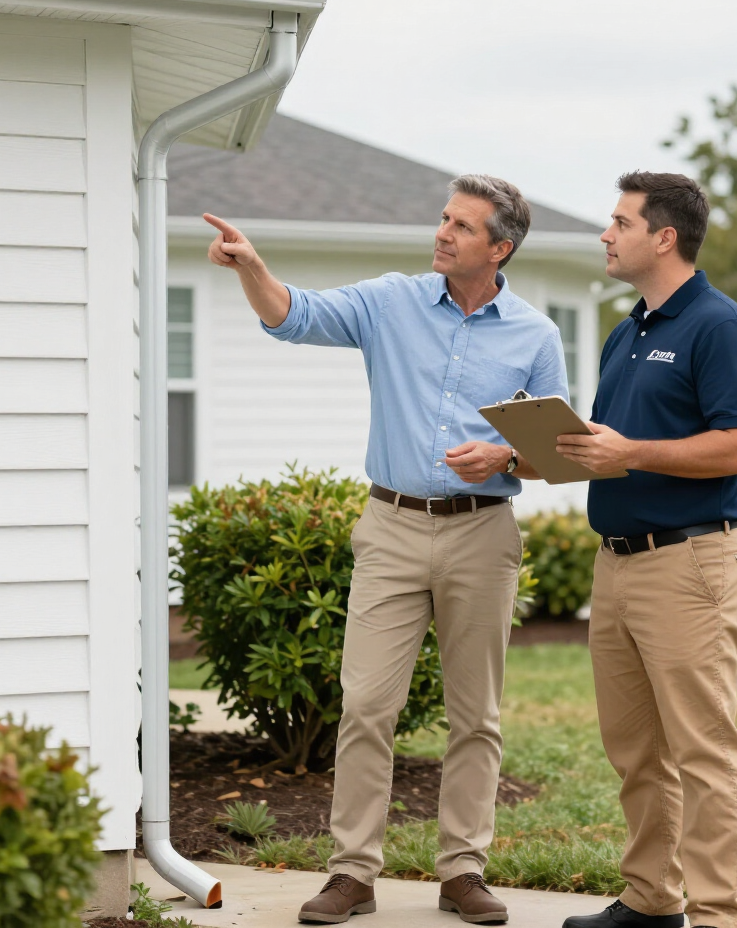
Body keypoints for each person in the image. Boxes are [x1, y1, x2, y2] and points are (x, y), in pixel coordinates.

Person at [204, 174, 568, 925]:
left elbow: (552, 455)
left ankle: (463, 870)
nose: (442, 232)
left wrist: (502, 458)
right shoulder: (391, 301)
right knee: (367, 704)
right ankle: (352, 874)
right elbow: (293, 316)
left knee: (477, 714)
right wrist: (252, 269)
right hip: (392, 527)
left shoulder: (535, 335)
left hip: (482, 532)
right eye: (443, 218)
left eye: (462, 226)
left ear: (499, 247)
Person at [555, 172, 737, 928]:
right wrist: (528, 450)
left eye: (620, 222)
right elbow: (613, 447)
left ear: (664, 236)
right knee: (635, 750)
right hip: (615, 563)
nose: (607, 235)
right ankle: (651, 900)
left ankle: (717, 917)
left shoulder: (719, 326)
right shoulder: (628, 331)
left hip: (691, 564)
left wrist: (633, 453)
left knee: (704, 751)